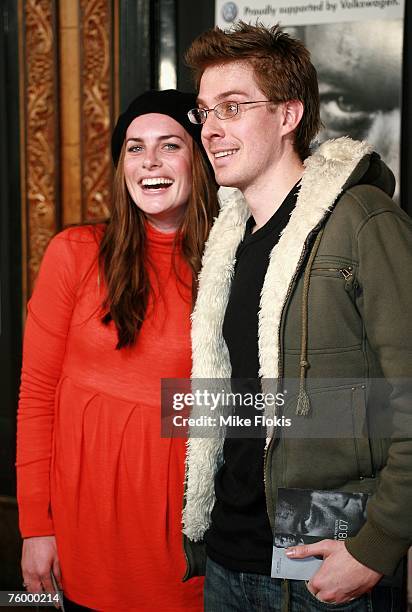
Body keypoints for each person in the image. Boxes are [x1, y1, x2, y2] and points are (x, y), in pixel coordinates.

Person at [181, 22, 412, 611]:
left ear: (289, 116)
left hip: (324, 559)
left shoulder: (362, 219)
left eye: (233, 108)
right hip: (226, 559)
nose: (210, 129)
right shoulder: (226, 241)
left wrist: (376, 545)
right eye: (204, 111)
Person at [16, 89, 218, 611]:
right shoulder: (74, 253)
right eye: (134, 147)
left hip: (183, 539)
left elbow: (259, 407)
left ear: (200, 158)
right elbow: (37, 397)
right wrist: (36, 527)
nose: (149, 161)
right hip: (81, 532)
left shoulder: (232, 264)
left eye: (170, 145)